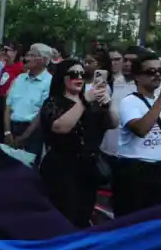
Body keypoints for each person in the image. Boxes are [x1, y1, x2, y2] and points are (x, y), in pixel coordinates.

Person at [39, 59, 115, 228]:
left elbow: (113, 123)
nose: (79, 77)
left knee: (83, 215)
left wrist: (108, 105)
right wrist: (84, 101)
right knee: (64, 217)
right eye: (73, 74)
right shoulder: (53, 102)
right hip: (61, 169)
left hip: (87, 169)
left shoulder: (91, 102)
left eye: (83, 74)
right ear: (62, 78)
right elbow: (60, 127)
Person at [114, 51, 161, 216]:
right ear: (137, 77)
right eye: (150, 71)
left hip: (155, 169)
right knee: (130, 221)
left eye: (160, 71)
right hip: (132, 169)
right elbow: (141, 129)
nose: (157, 75)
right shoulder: (130, 102)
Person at [3, 43, 53, 157]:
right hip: (12, 129)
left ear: (44, 60)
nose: (27, 58)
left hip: (32, 133)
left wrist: (24, 137)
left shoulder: (49, 82)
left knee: (28, 171)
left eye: (32, 55)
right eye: (27, 55)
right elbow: (8, 105)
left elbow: (41, 113)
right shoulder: (20, 78)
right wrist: (7, 131)